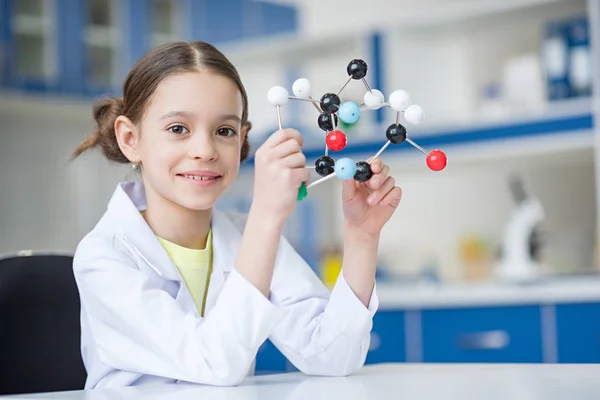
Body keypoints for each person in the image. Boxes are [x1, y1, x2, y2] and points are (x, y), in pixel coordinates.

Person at [70, 40, 403, 389]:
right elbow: (214, 363)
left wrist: (362, 237)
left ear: (242, 141)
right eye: (178, 129)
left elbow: (334, 356)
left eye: (224, 131)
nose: (204, 150)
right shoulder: (103, 257)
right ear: (130, 139)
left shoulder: (248, 235)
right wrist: (266, 214)